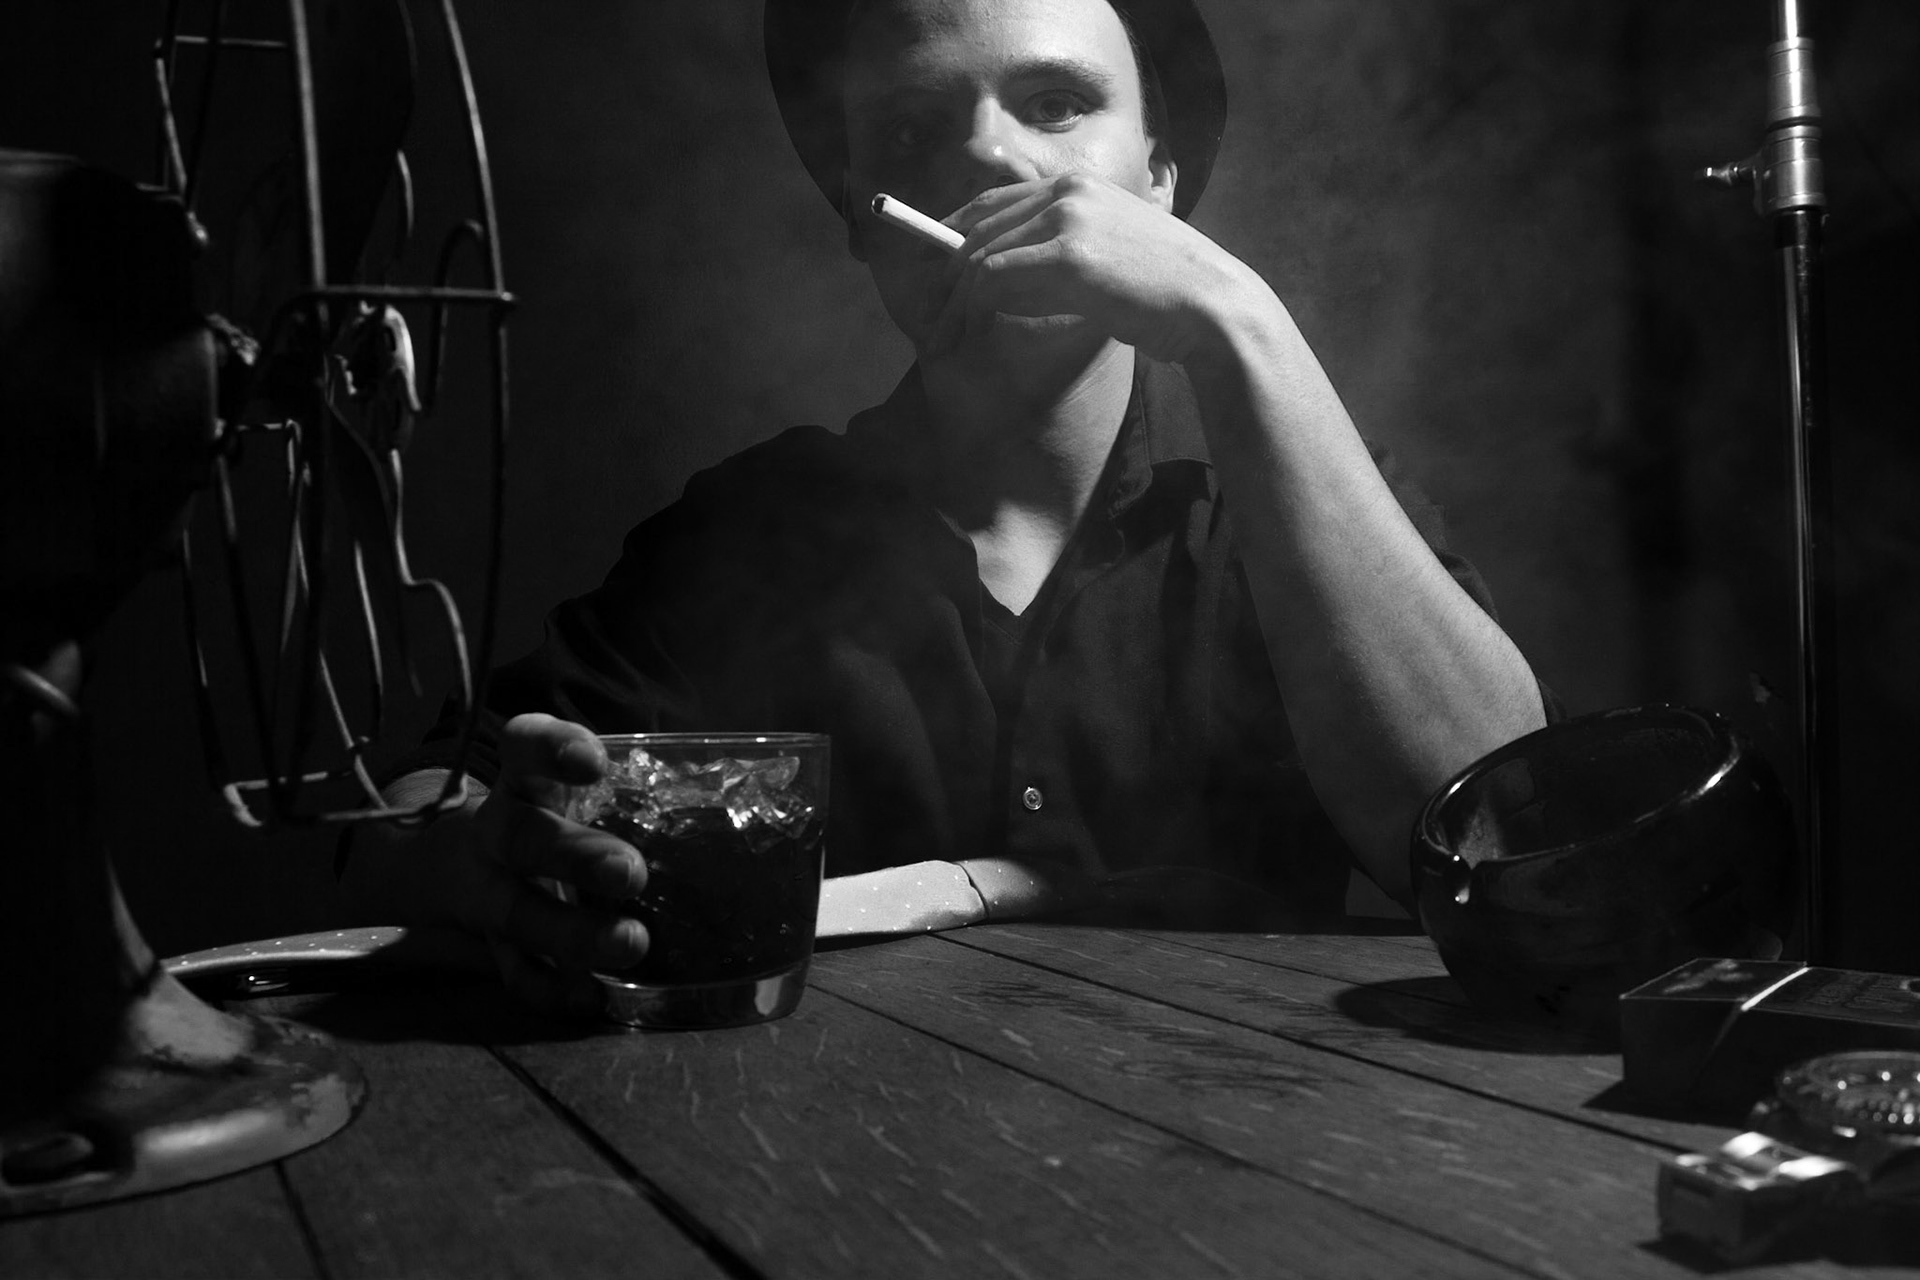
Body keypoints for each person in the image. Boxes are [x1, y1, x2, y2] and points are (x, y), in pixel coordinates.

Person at [344, 0, 1548, 1014]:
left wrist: (1238, 323)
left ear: (1161, 177)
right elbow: (424, 802)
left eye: (1056, 104)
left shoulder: (1298, 506)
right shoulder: (753, 536)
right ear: (863, 222)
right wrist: (473, 850)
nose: (985, 157)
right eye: (916, 129)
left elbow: (1503, 847)